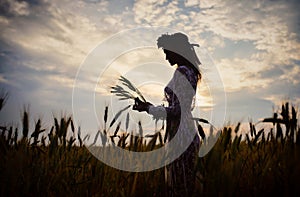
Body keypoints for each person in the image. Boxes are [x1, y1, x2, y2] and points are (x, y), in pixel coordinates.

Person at [133, 32, 201, 196]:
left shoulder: (183, 72)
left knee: (179, 187)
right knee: (184, 185)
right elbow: (179, 107)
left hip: (181, 135)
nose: (165, 58)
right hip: (183, 132)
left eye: (167, 52)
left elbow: (177, 110)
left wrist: (149, 109)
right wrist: (149, 107)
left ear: (176, 50)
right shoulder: (188, 71)